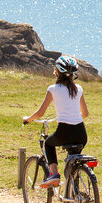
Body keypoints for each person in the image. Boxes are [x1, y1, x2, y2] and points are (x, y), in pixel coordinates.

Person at [23, 55, 90, 187]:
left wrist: (28, 119)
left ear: (57, 71)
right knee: (73, 164)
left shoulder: (53, 89)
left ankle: (54, 174)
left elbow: (40, 113)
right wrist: (74, 118)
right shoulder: (79, 89)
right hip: (81, 133)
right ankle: (74, 198)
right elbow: (86, 113)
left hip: (64, 131)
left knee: (48, 144)